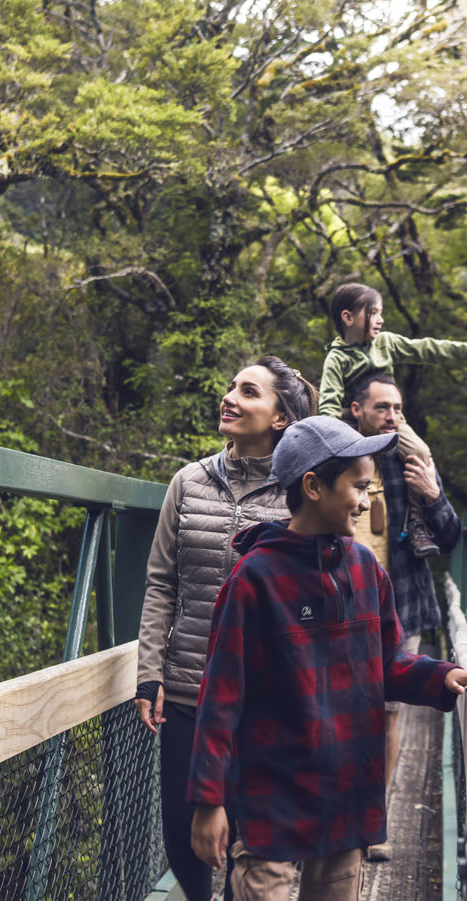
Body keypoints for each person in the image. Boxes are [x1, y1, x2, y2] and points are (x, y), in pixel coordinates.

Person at [186, 416, 467, 900]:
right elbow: (220, 697)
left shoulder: (366, 569)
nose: (368, 500)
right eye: (358, 487)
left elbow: (388, 663)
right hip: (271, 795)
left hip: (345, 792)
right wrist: (208, 802)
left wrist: (445, 675)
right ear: (313, 486)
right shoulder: (253, 579)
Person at [134, 357, 318, 901]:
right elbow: (160, 583)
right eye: (231, 386)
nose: (230, 397)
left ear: (281, 417)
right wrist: (149, 674)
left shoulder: (299, 494)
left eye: (248, 391)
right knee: (181, 834)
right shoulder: (188, 482)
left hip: (265, 698)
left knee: (249, 837)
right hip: (188, 689)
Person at [347, 370, 461, 862]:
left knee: (389, 714)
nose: (391, 417)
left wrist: (433, 495)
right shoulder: (339, 458)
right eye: (381, 408)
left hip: (403, 606)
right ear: (357, 410)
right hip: (342, 606)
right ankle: (333, 809)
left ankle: (374, 821)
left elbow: (453, 535)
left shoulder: (412, 461)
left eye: (397, 409)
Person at [317, 283, 467, 556]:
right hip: (353, 419)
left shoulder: (386, 343)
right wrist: (329, 441)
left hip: (391, 417)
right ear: (348, 318)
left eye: (382, 313)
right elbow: (329, 402)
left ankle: (416, 523)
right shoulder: (336, 358)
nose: (381, 319)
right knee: (346, 462)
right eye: (373, 313)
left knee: (419, 451)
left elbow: (430, 349)